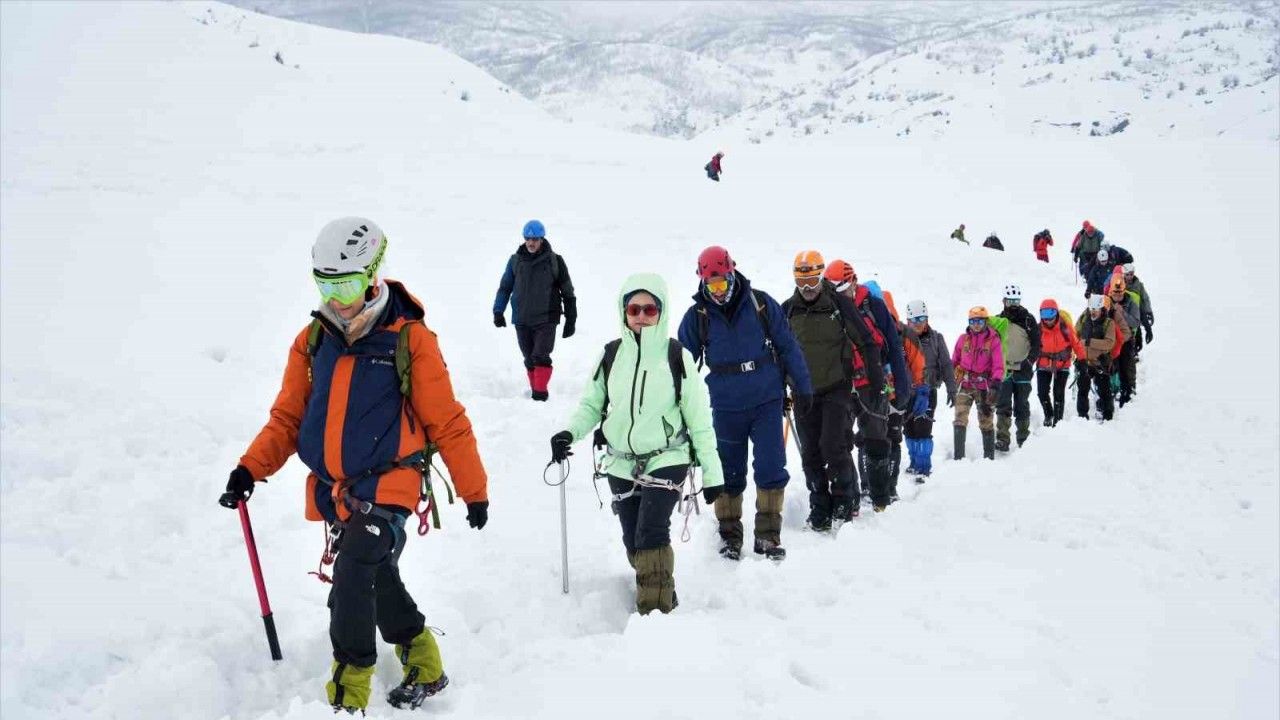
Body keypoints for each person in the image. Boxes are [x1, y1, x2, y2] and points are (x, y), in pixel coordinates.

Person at [219, 218, 490, 714]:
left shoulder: (409, 339)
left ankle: (349, 693)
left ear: (371, 275)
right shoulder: (313, 341)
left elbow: (447, 421)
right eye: (324, 285)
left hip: (393, 481)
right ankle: (425, 663)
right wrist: (249, 469)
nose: (335, 298)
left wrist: (474, 491)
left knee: (353, 570)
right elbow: (287, 419)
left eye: (343, 285)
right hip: (340, 490)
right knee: (375, 577)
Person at [549, 273, 723, 614]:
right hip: (620, 461)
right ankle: (659, 585)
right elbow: (591, 405)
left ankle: (655, 613)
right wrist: (569, 433)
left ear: (661, 311)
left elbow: (700, 420)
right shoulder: (611, 354)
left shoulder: (677, 356)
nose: (641, 316)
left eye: (649, 309)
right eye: (634, 309)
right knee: (633, 540)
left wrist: (713, 473)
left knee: (651, 532)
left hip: (667, 456)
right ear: (624, 312)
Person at [678, 246, 812, 561]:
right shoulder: (698, 316)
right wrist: (675, 404)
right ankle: (729, 536)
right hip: (726, 407)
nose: (718, 291)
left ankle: (768, 535)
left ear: (732, 273)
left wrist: (804, 387)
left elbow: (788, 346)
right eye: (711, 285)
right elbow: (681, 364)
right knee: (728, 471)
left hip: (766, 401)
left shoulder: (760, 304)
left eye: (722, 282)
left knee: (770, 467)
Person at [782, 252, 883, 529]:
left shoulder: (838, 304)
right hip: (803, 392)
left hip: (836, 387)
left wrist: (876, 379)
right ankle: (819, 505)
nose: (807, 288)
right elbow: (778, 351)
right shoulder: (788, 310)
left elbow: (866, 341)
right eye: (801, 282)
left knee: (833, 446)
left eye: (813, 281)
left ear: (821, 277)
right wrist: (779, 388)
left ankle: (843, 501)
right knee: (810, 453)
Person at [492, 219, 577, 401]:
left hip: (546, 318)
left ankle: (540, 395)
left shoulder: (555, 261)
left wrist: (571, 319)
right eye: (528, 239)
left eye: (535, 239)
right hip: (521, 319)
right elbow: (505, 287)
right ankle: (534, 394)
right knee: (529, 358)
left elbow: (568, 292)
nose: (531, 243)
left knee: (540, 356)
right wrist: (498, 311)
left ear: (542, 239)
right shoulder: (515, 261)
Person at [903, 300, 956, 479]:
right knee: (909, 429)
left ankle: (923, 467)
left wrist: (951, 389)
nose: (918, 323)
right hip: (906, 392)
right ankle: (913, 462)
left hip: (928, 391)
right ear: (908, 320)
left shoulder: (936, 338)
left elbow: (947, 365)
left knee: (923, 430)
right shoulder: (902, 338)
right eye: (914, 320)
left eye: (922, 319)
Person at [989, 284, 1041, 451]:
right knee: (1003, 404)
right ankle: (1003, 439)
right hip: (1004, 369)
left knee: (1022, 404)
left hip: (1023, 369)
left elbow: (1037, 344)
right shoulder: (998, 321)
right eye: (1010, 301)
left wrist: (1029, 361)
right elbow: (988, 341)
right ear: (1004, 301)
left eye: (1016, 301)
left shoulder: (1028, 320)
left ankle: (1023, 438)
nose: (1013, 304)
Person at [952, 307, 1003, 460]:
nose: (976, 325)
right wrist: (948, 378)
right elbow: (954, 361)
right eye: (972, 321)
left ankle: (989, 459)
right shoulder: (963, 339)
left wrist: (996, 384)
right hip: (965, 384)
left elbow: (998, 365)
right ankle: (958, 458)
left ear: (986, 322)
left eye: (979, 321)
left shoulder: (994, 340)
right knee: (960, 418)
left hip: (984, 387)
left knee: (986, 420)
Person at [1035, 298, 1085, 427]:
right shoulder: (1038, 329)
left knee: (1058, 393)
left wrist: (1082, 360)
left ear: (1056, 313)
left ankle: (1058, 422)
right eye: (1044, 314)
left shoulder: (1065, 328)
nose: (1047, 319)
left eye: (1050, 314)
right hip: (1043, 364)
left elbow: (1076, 344)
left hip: (1062, 364)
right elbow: (1031, 347)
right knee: (1042, 392)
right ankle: (1049, 414)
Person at [1075, 294, 1116, 421]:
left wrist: (1089, 342)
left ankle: (1108, 415)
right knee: (1083, 390)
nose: (1093, 312)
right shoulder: (1083, 319)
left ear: (1102, 309)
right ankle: (1082, 415)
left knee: (1104, 390)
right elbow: (1074, 334)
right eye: (1091, 309)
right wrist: (1078, 348)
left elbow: (1109, 343)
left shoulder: (1109, 323)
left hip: (1100, 363)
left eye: (1096, 309)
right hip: (1084, 362)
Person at [1108, 273, 1142, 407]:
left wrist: (1122, 313)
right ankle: (1112, 391)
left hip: (1126, 340)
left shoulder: (1131, 303)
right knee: (1111, 367)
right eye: (1114, 293)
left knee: (1127, 367)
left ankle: (1129, 390)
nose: (1117, 296)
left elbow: (1136, 322)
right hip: (1110, 341)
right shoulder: (1106, 302)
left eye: (1120, 293)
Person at [1122, 263, 1155, 353]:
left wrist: (1148, 312)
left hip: (1136, 312)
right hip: (1123, 312)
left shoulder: (1138, 285)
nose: (1129, 277)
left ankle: (1134, 351)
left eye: (1131, 274)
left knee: (1136, 336)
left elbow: (1145, 298)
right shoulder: (1119, 284)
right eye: (1127, 274)